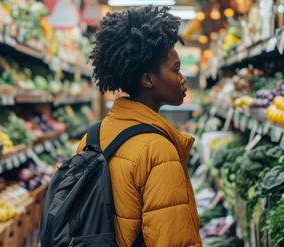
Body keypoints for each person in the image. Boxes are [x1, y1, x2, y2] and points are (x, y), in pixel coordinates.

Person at [76, 5, 202, 247]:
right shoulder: (158, 150)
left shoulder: (92, 136)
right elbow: (172, 240)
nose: (183, 78)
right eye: (176, 70)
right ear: (147, 79)